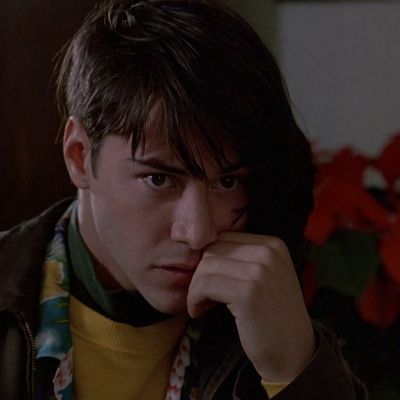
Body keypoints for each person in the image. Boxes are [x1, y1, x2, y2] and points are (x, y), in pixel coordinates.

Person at [0, 0, 367, 399]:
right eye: (159, 179)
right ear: (79, 157)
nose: (198, 232)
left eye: (227, 182)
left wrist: (293, 369)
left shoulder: (273, 329)